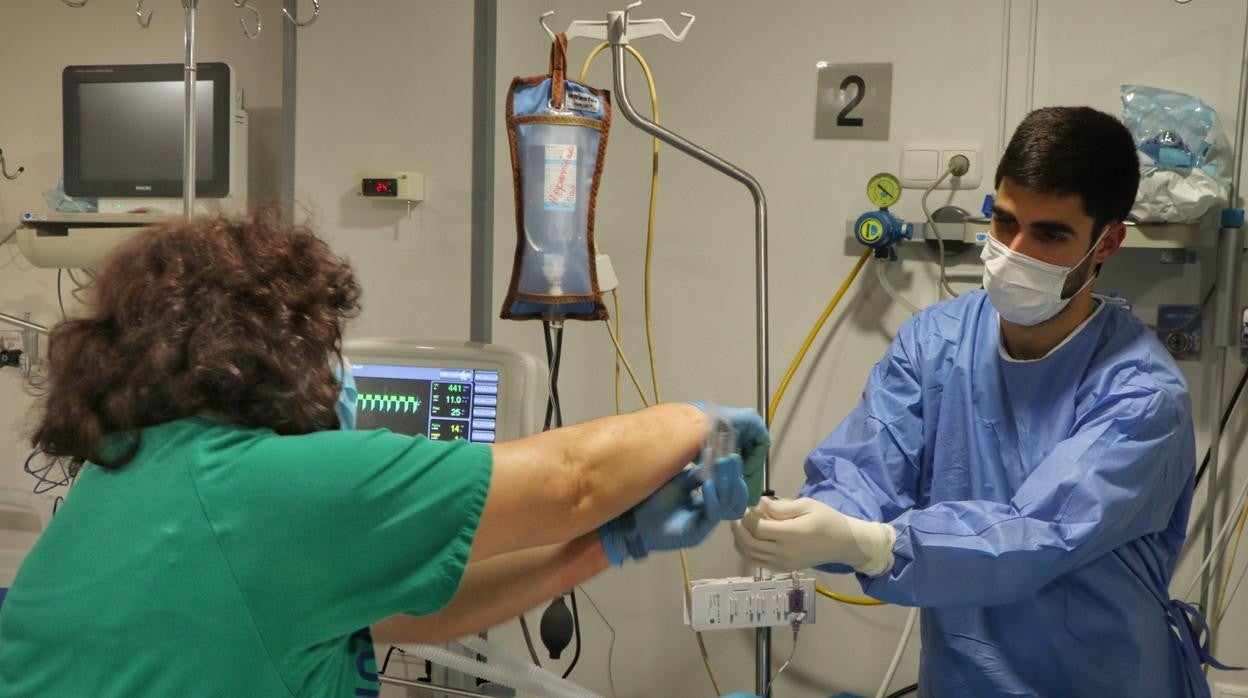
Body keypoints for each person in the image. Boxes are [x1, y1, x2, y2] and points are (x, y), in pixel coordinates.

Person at [0, 209, 770, 696]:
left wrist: (610, 543)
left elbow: (404, 616)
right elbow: (574, 478)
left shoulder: (130, 477)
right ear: (271, 347)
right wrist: (700, 422)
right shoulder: (263, 486)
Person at [732, 107, 1217, 697]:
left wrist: (875, 544)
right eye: (1004, 221)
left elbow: (1037, 535)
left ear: (1107, 242)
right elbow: (863, 470)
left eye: (1050, 234)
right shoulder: (934, 341)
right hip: (961, 680)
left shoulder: (1142, 395)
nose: (1014, 251)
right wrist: (809, 523)